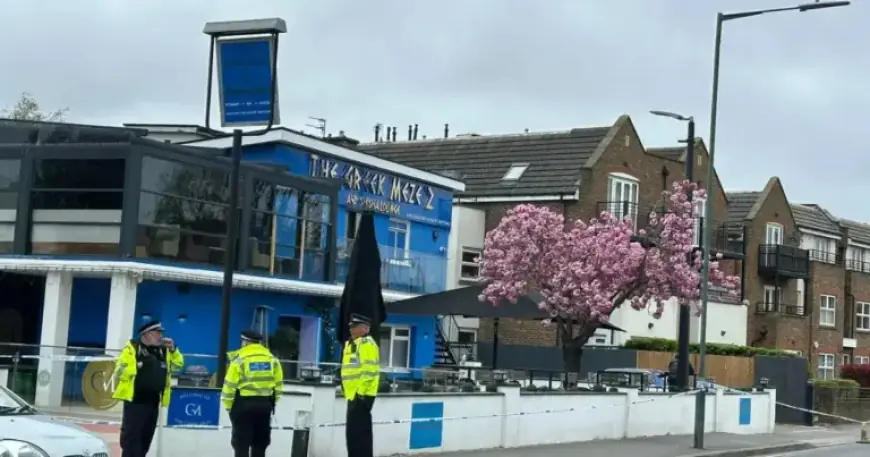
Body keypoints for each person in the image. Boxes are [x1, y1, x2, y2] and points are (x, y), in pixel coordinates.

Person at [112, 321, 184, 457]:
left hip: (153, 402)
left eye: (161, 333)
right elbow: (119, 371)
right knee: (131, 441)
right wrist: (139, 365)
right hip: (136, 402)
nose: (161, 337)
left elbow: (178, 365)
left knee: (145, 440)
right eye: (158, 333)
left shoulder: (164, 350)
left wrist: (174, 349)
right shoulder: (133, 348)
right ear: (147, 335)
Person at [221, 330, 283, 457]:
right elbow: (278, 386)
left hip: (243, 406)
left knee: (241, 445)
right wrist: (271, 404)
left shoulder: (239, 360)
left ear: (245, 342)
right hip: (264, 406)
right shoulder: (272, 360)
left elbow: (229, 387)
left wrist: (229, 408)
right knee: (260, 444)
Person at [342, 314, 380, 457]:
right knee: (352, 437)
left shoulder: (366, 345)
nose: (351, 329)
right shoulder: (353, 345)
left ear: (364, 329)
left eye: (354, 327)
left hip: (361, 396)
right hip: (353, 396)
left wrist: (361, 394)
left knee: (360, 437)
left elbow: (369, 371)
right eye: (350, 326)